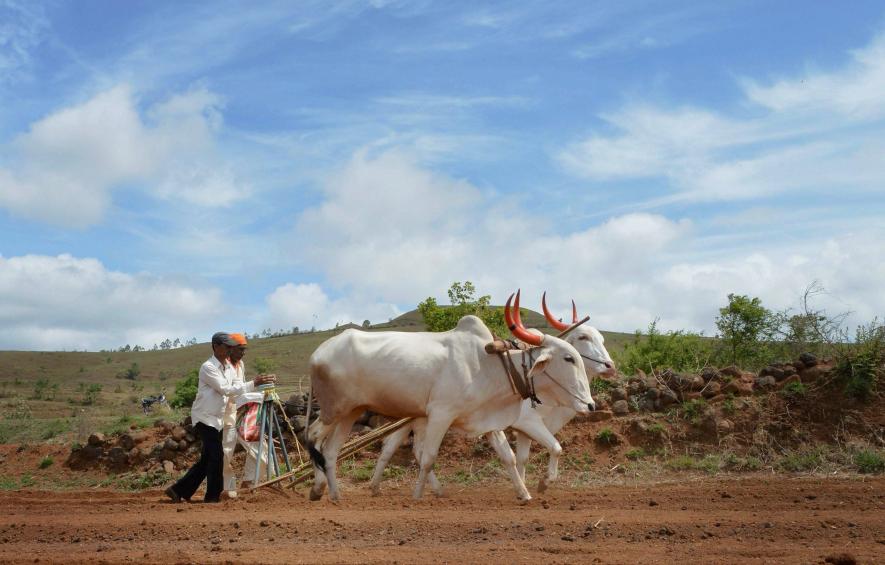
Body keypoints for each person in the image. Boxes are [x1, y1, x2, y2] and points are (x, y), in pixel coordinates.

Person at [165, 332, 275, 503]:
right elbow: (226, 389)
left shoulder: (229, 368)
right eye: (227, 346)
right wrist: (254, 383)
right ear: (215, 347)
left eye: (231, 346)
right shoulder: (208, 367)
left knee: (207, 459)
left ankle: (178, 490)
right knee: (217, 456)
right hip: (205, 418)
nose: (230, 350)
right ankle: (212, 497)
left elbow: (237, 386)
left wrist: (252, 388)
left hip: (218, 419)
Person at [221, 332, 267, 497]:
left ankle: (248, 482)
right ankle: (228, 489)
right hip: (225, 415)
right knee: (226, 453)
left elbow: (244, 389)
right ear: (230, 349)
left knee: (258, 446)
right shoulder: (223, 366)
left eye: (244, 349)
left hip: (243, 413)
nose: (243, 353)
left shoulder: (241, 365)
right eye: (240, 349)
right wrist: (259, 392)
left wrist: (264, 386)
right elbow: (231, 393)